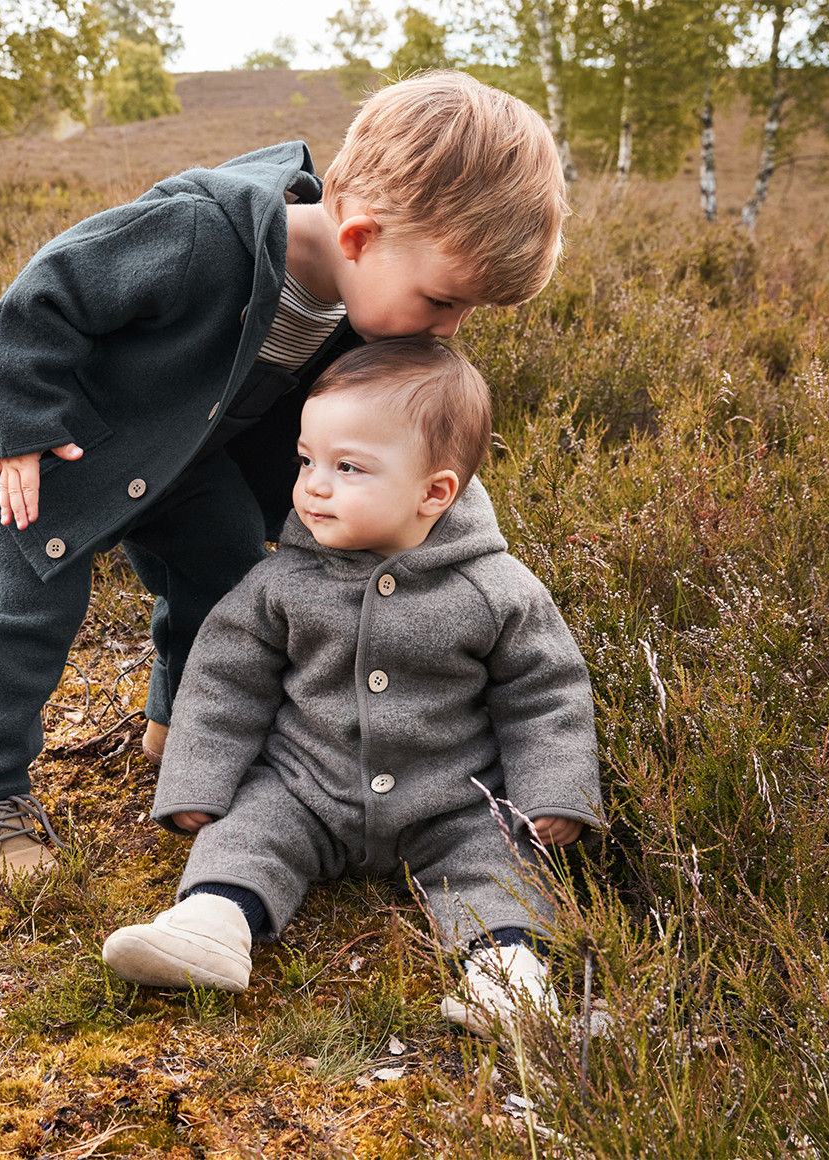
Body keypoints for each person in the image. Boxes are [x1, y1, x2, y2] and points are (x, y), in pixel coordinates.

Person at [0, 70, 570, 901]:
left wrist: (438, 518)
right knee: (24, 615)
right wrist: (20, 431)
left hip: (188, 453)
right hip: (51, 451)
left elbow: (366, 438)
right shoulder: (204, 233)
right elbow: (46, 293)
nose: (450, 329)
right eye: (445, 301)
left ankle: (185, 731)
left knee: (229, 573)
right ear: (359, 237)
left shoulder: (366, 305)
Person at [102, 339, 601, 1038]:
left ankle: (508, 978)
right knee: (248, 829)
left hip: (454, 799)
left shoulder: (497, 590)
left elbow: (546, 694)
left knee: (499, 864)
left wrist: (555, 794)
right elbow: (223, 683)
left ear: (435, 492)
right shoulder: (282, 583)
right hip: (308, 784)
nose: (314, 485)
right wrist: (198, 782)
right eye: (306, 460)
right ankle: (210, 925)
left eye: (348, 468)